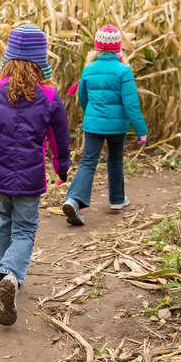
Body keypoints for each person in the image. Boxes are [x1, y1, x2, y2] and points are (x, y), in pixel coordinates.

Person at [0, 24, 71, 326]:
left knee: (6, 224)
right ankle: (9, 274)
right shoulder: (48, 96)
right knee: (24, 230)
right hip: (30, 178)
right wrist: (62, 168)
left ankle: (4, 278)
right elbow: (59, 139)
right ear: (40, 61)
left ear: (8, 57)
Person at [62, 24, 147, 226]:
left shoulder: (89, 69)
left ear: (97, 47)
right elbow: (131, 104)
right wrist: (141, 131)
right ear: (118, 47)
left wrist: (92, 114)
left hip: (93, 124)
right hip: (117, 125)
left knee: (88, 162)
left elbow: (82, 97)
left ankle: (74, 199)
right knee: (115, 160)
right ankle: (117, 200)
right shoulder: (123, 71)